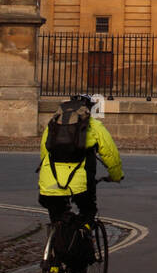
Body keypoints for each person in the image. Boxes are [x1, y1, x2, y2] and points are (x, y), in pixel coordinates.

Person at [38, 94, 124, 234]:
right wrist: (116, 175)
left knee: (57, 216)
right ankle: (85, 233)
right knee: (88, 210)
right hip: (80, 185)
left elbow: (44, 152)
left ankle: (55, 246)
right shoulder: (93, 125)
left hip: (49, 182)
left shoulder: (53, 124)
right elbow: (110, 154)